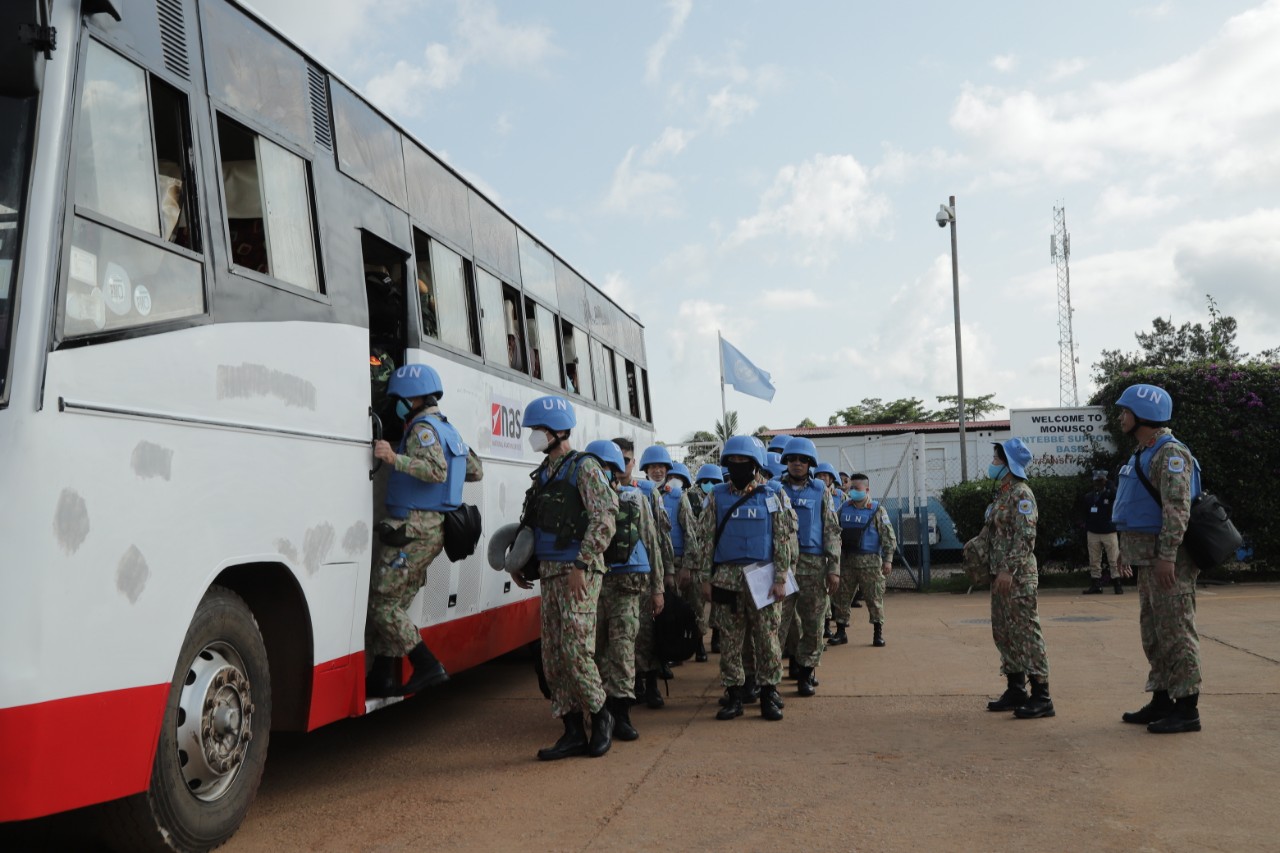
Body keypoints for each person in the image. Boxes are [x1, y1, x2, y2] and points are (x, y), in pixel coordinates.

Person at [512, 395, 619, 760]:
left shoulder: (584, 468)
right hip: (550, 572)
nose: (534, 437)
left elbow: (605, 517)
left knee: (576, 650)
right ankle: (572, 730)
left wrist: (582, 564)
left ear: (558, 431)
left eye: (539, 430)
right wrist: (518, 561)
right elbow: (532, 522)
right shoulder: (544, 473)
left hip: (578, 572)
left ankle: (602, 715)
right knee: (553, 655)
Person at [368, 364, 483, 699]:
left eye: (400, 398)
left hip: (415, 528)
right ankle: (383, 677)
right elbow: (474, 470)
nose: (397, 404)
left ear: (414, 396)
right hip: (433, 529)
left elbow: (434, 470)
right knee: (396, 602)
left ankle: (427, 664)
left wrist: (394, 458)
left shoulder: (422, 429)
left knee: (381, 605)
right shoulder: (449, 430)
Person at [1111, 384, 1203, 734]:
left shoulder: (1170, 453)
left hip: (1169, 561)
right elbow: (1137, 508)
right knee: (1154, 633)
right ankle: (1162, 700)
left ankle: (1187, 709)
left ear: (1142, 415)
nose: (1120, 417)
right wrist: (1125, 550)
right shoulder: (1145, 451)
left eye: (1124, 412)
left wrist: (1167, 556)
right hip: (1148, 558)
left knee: (1177, 632)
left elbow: (1177, 509)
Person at [694, 435, 799, 721]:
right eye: (733, 462)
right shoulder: (715, 495)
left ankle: (769, 692)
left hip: (763, 577)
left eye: (744, 462)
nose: (738, 467)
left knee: (767, 638)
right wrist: (705, 578)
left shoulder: (772, 495)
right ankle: (735, 693)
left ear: (756, 466)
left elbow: (781, 540)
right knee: (730, 640)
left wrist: (780, 577)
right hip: (726, 577)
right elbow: (705, 540)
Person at [583, 440, 664, 742]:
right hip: (594, 582)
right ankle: (599, 711)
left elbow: (651, 542)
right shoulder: (583, 498)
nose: (606, 472)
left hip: (627, 582)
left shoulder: (635, 498)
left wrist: (657, 589)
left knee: (623, 648)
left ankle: (622, 714)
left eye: (610, 467)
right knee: (597, 648)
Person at [978, 438, 1054, 719]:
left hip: (1017, 576)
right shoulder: (1003, 493)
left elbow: (1025, 537)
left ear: (1008, 464)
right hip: (1001, 575)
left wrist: (1009, 569)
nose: (993, 464)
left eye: (997, 459)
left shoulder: (1022, 494)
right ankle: (1015, 688)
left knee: (1025, 632)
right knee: (1005, 632)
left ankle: (1042, 695)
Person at [776, 438, 840, 695]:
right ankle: (769, 678)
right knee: (778, 623)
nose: (797, 464)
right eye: (792, 459)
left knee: (813, 624)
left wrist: (834, 567)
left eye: (803, 460)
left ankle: (805, 671)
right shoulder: (773, 488)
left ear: (810, 463)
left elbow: (832, 530)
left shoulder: (820, 490)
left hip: (813, 565)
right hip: (782, 566)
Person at [627, 443, 675, 707]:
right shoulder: (617, 492)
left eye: (661, 467)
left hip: (647, 573)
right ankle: (633, 684)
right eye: (653, 467)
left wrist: (667, 572)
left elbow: (662, 540)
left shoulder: (650, 495)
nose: (657, 471)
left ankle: (652, 684)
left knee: (649, 632)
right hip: (623, 574)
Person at [836, 473, 897, 648]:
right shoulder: (844, 508)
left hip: (870, 562)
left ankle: (877, 633)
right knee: (842, 597)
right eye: (851, 488)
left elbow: (888, 537)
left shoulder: (877, 510)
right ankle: (841, 632)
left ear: (867, 489)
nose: (853, 491)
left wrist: (888, 560)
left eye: (857, 488)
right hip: (846, 560)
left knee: (874, 598)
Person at [664, 462, 706, 661]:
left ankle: (699, 645)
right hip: (667, 561)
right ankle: (676, 647)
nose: (674, 481)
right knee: (673, 608)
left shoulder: (683, 499)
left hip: (685, 561)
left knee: (695, 605)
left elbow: (691, 534)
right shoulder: (656, 497)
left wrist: (688, 567)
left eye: (678, 479)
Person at [693, 463, 725, 655]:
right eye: (705, 481)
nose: (709, 485)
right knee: (699, 602)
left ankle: (717, 636)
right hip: (699, 557)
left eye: (714, 481)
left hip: (719, 558)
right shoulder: (691, 499)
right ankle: (698, 643)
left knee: (719, 603)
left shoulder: (722, 500)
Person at [1078, 470, 1122, 594]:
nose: (1098, 483)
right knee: (1094, 560)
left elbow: (1117, 494)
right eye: (1096, 480)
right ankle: (1096, 584)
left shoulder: (1110, 494)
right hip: (1093, 531)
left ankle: (1117, 584)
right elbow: (1085, 513)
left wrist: (1108, 483)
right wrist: (1086, 525)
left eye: (1101, 480)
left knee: (1113, 559)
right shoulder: (1089, 497)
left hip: (1109, 531)